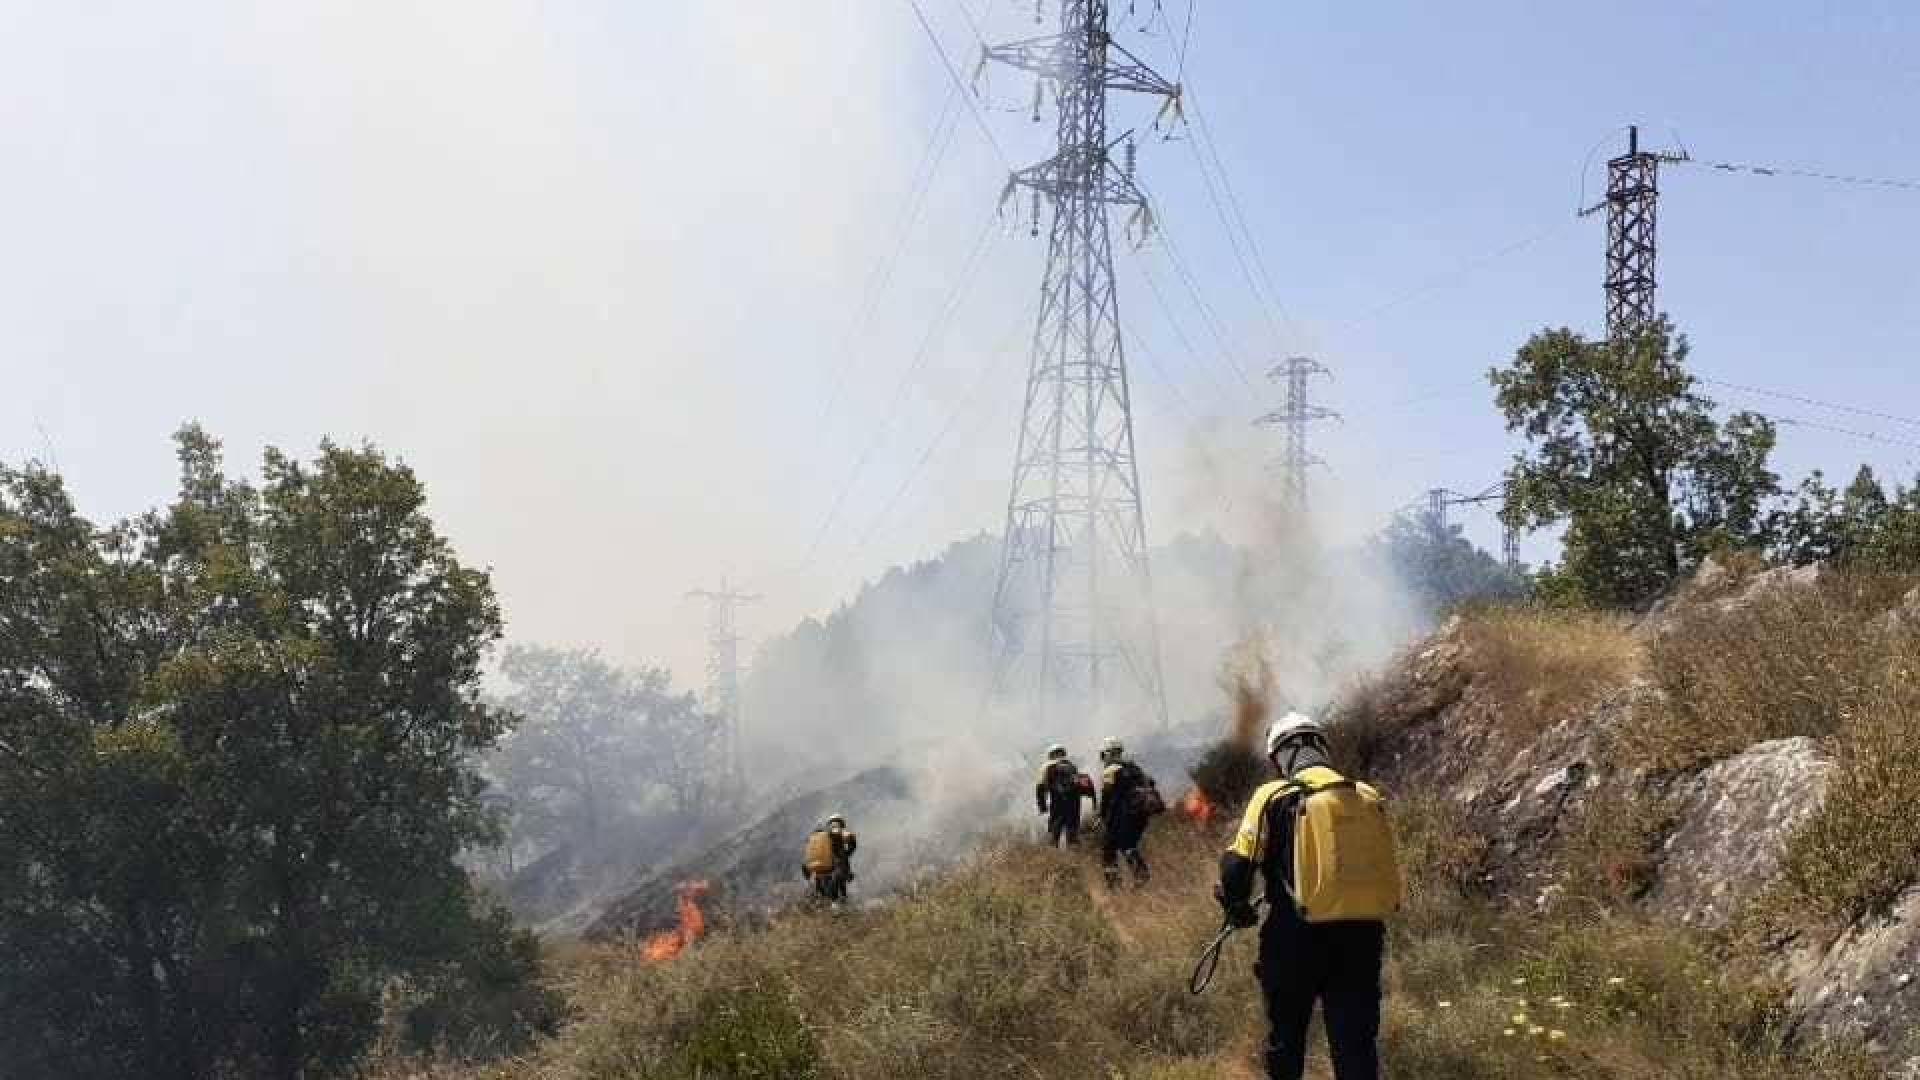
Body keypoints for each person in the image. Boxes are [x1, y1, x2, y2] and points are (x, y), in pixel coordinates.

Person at [1216, 712, 1389, 1080]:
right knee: (1356, 1046)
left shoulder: (1273, 795)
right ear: (1319, 746)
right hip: (1362, 936)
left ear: (1281, 756)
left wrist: (1236, 906)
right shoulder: (1366, 794)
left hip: (1295, 937)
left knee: (1286, 1042)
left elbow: (1236, 868)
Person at [1097, 737, 1154, 889]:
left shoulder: (1110, 770)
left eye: (1103, 755)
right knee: (1127, 844)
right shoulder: (1134, 767)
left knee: (1108, 849)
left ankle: (1116, 884)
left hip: (1122, 816)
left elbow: (1106, 797)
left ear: (1108, 753)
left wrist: (1101, 817)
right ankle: (1139, 875)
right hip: (1140, 816)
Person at [1034, 743, 1092, 847]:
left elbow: (1040, 788)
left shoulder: (1048, 766)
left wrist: (1042, 806)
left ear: (1050, 755)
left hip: (1058, 805)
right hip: (1074, 805)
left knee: (1054, 834)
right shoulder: (1072, 766)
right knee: (1072, 834)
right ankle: (1075, 857)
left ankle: (1053, 857)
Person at [802, 813, 858, 907]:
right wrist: (847, 852)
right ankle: (838, 907)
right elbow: (851, 843)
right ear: (840, 822)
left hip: (820, 869)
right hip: (836, 869)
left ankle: (823, 907)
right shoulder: (837, 830)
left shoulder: (820, 835)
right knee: (840, 893)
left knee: (822, 894)